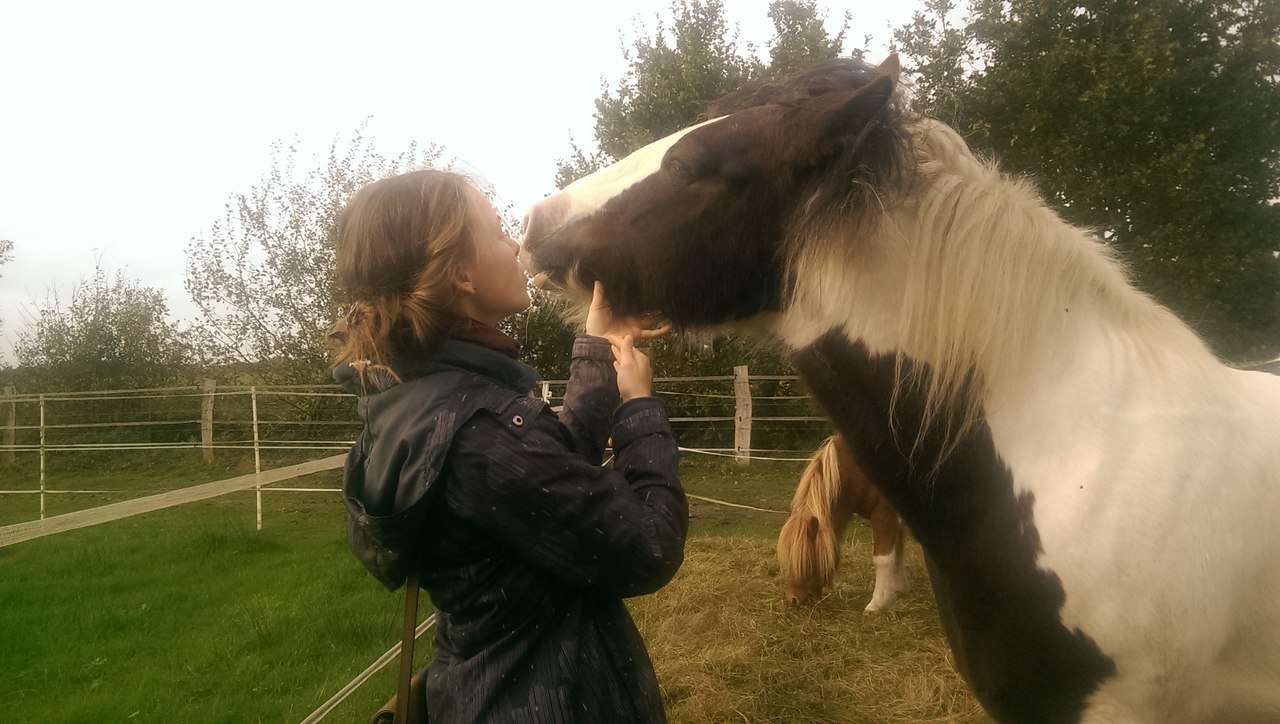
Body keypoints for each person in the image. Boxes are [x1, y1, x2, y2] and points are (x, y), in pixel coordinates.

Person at [330, 168, 687, 723]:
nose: (517, 246)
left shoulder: (416, 399)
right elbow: (649, 548)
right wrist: (639, 409)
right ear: (462, 274)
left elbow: (550, 484)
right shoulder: (478, 434)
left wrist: (596, 344)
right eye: (499, 232)